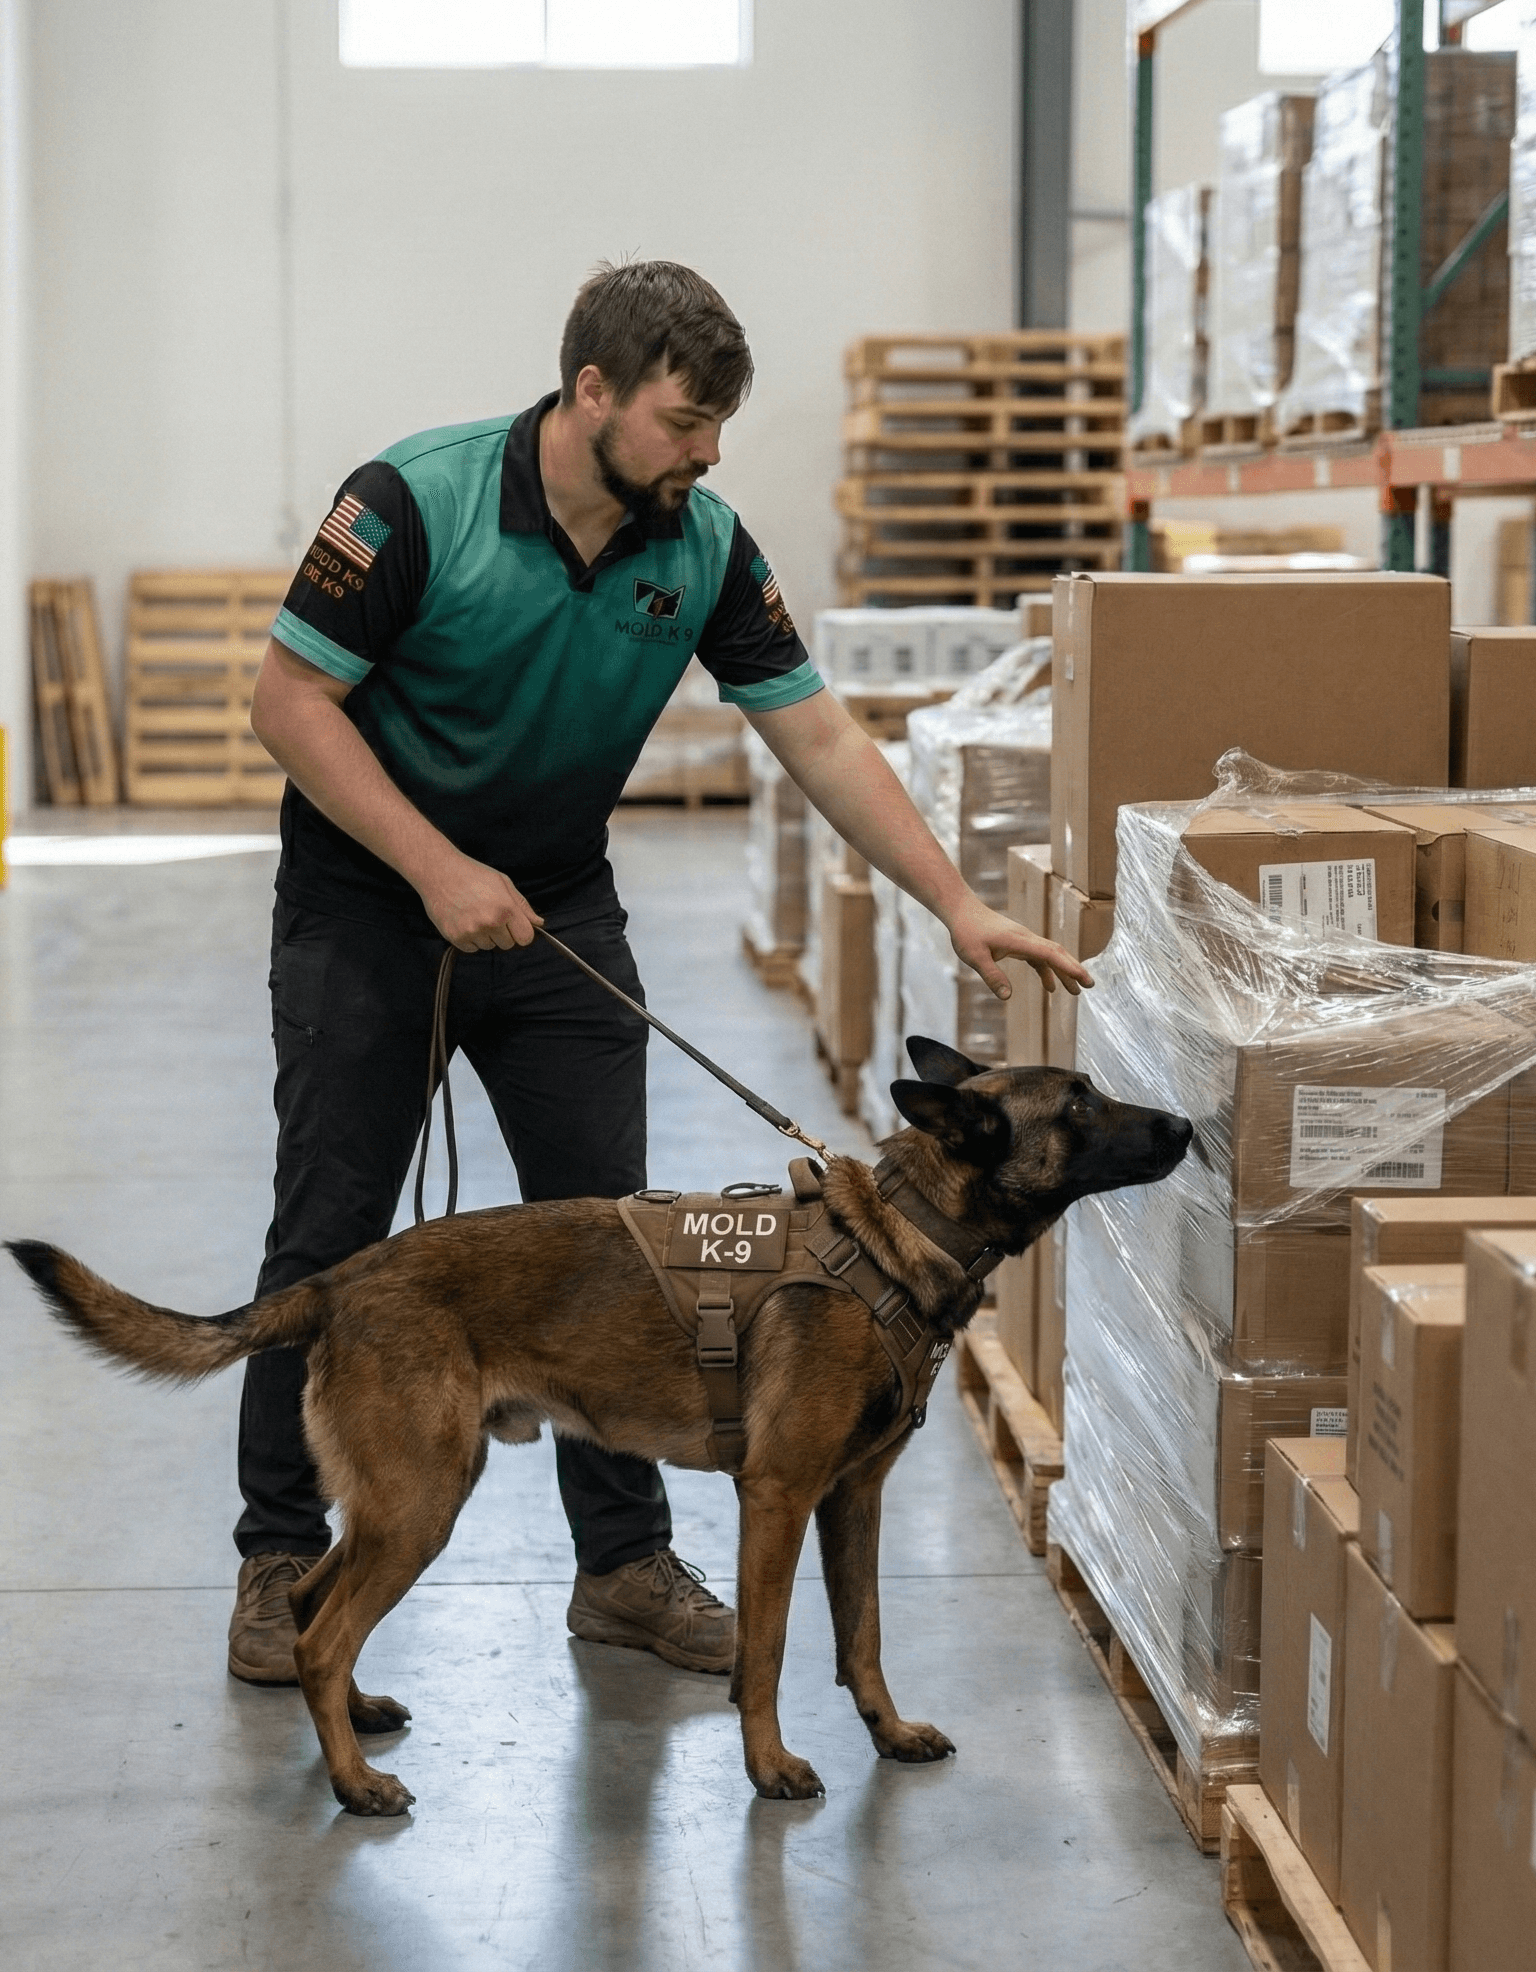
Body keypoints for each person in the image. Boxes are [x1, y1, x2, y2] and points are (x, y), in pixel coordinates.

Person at [231, 259, 1086, 1685]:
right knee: (331, 1236)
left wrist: (952, 902)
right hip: (369, 905)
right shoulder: (410, 503)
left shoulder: (704, 548)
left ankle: (622, 1567)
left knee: (617, 1240)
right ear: (592, 392)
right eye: (685, 422)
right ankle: (277, 1561)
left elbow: (818, 735)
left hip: (557, 909)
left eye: (718, 427)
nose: (708, 453)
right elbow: (288, 701)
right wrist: (435, 869)